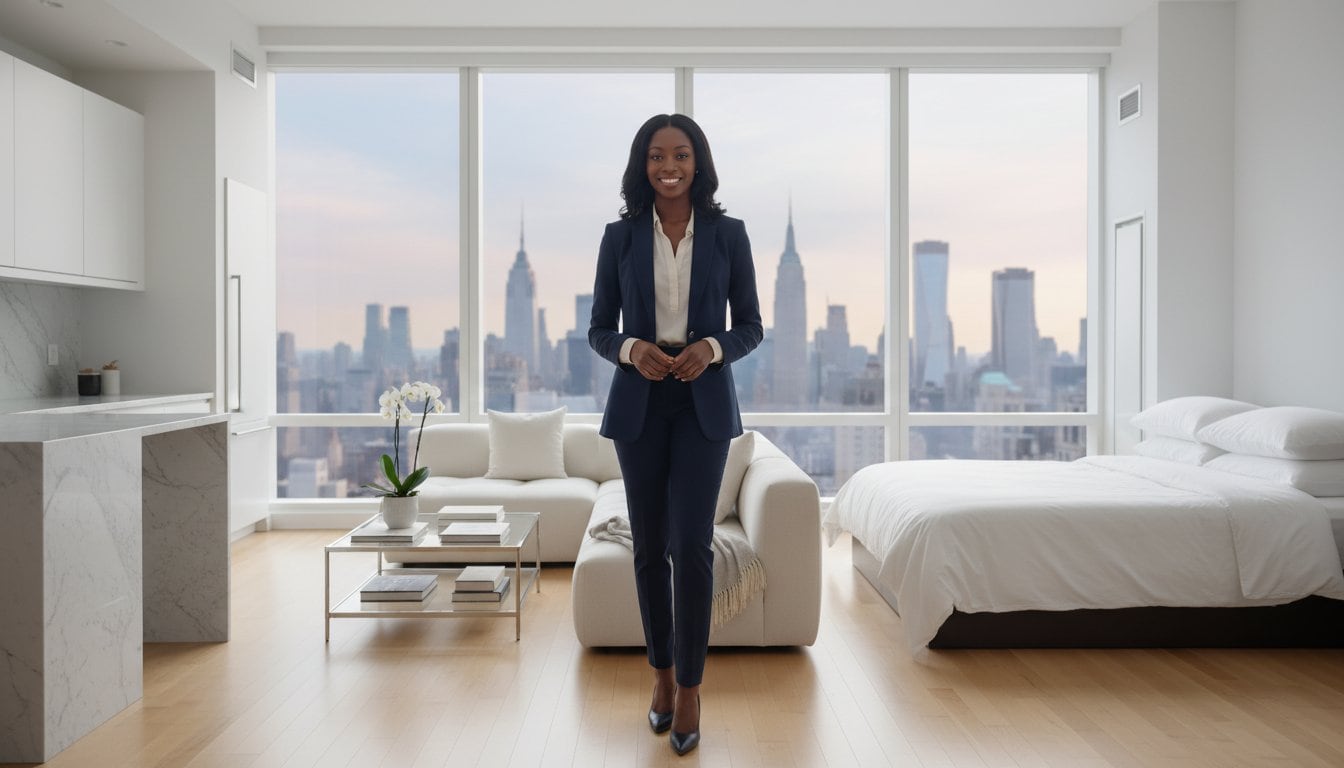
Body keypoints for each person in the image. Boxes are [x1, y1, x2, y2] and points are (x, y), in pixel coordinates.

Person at [589, 113, 762, 756]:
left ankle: (691, 686)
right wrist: (632, 348)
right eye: (658, 155)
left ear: (698, 163)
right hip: (639, 403)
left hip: (702, 405)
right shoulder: (619, 236)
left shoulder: (728, 234)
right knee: (647, 549)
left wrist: (712, 349)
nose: (670, 165)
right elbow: (598, 327)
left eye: (681, 155)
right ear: (643, 164)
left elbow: (750, 324)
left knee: (692, 547)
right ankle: (659, 675)